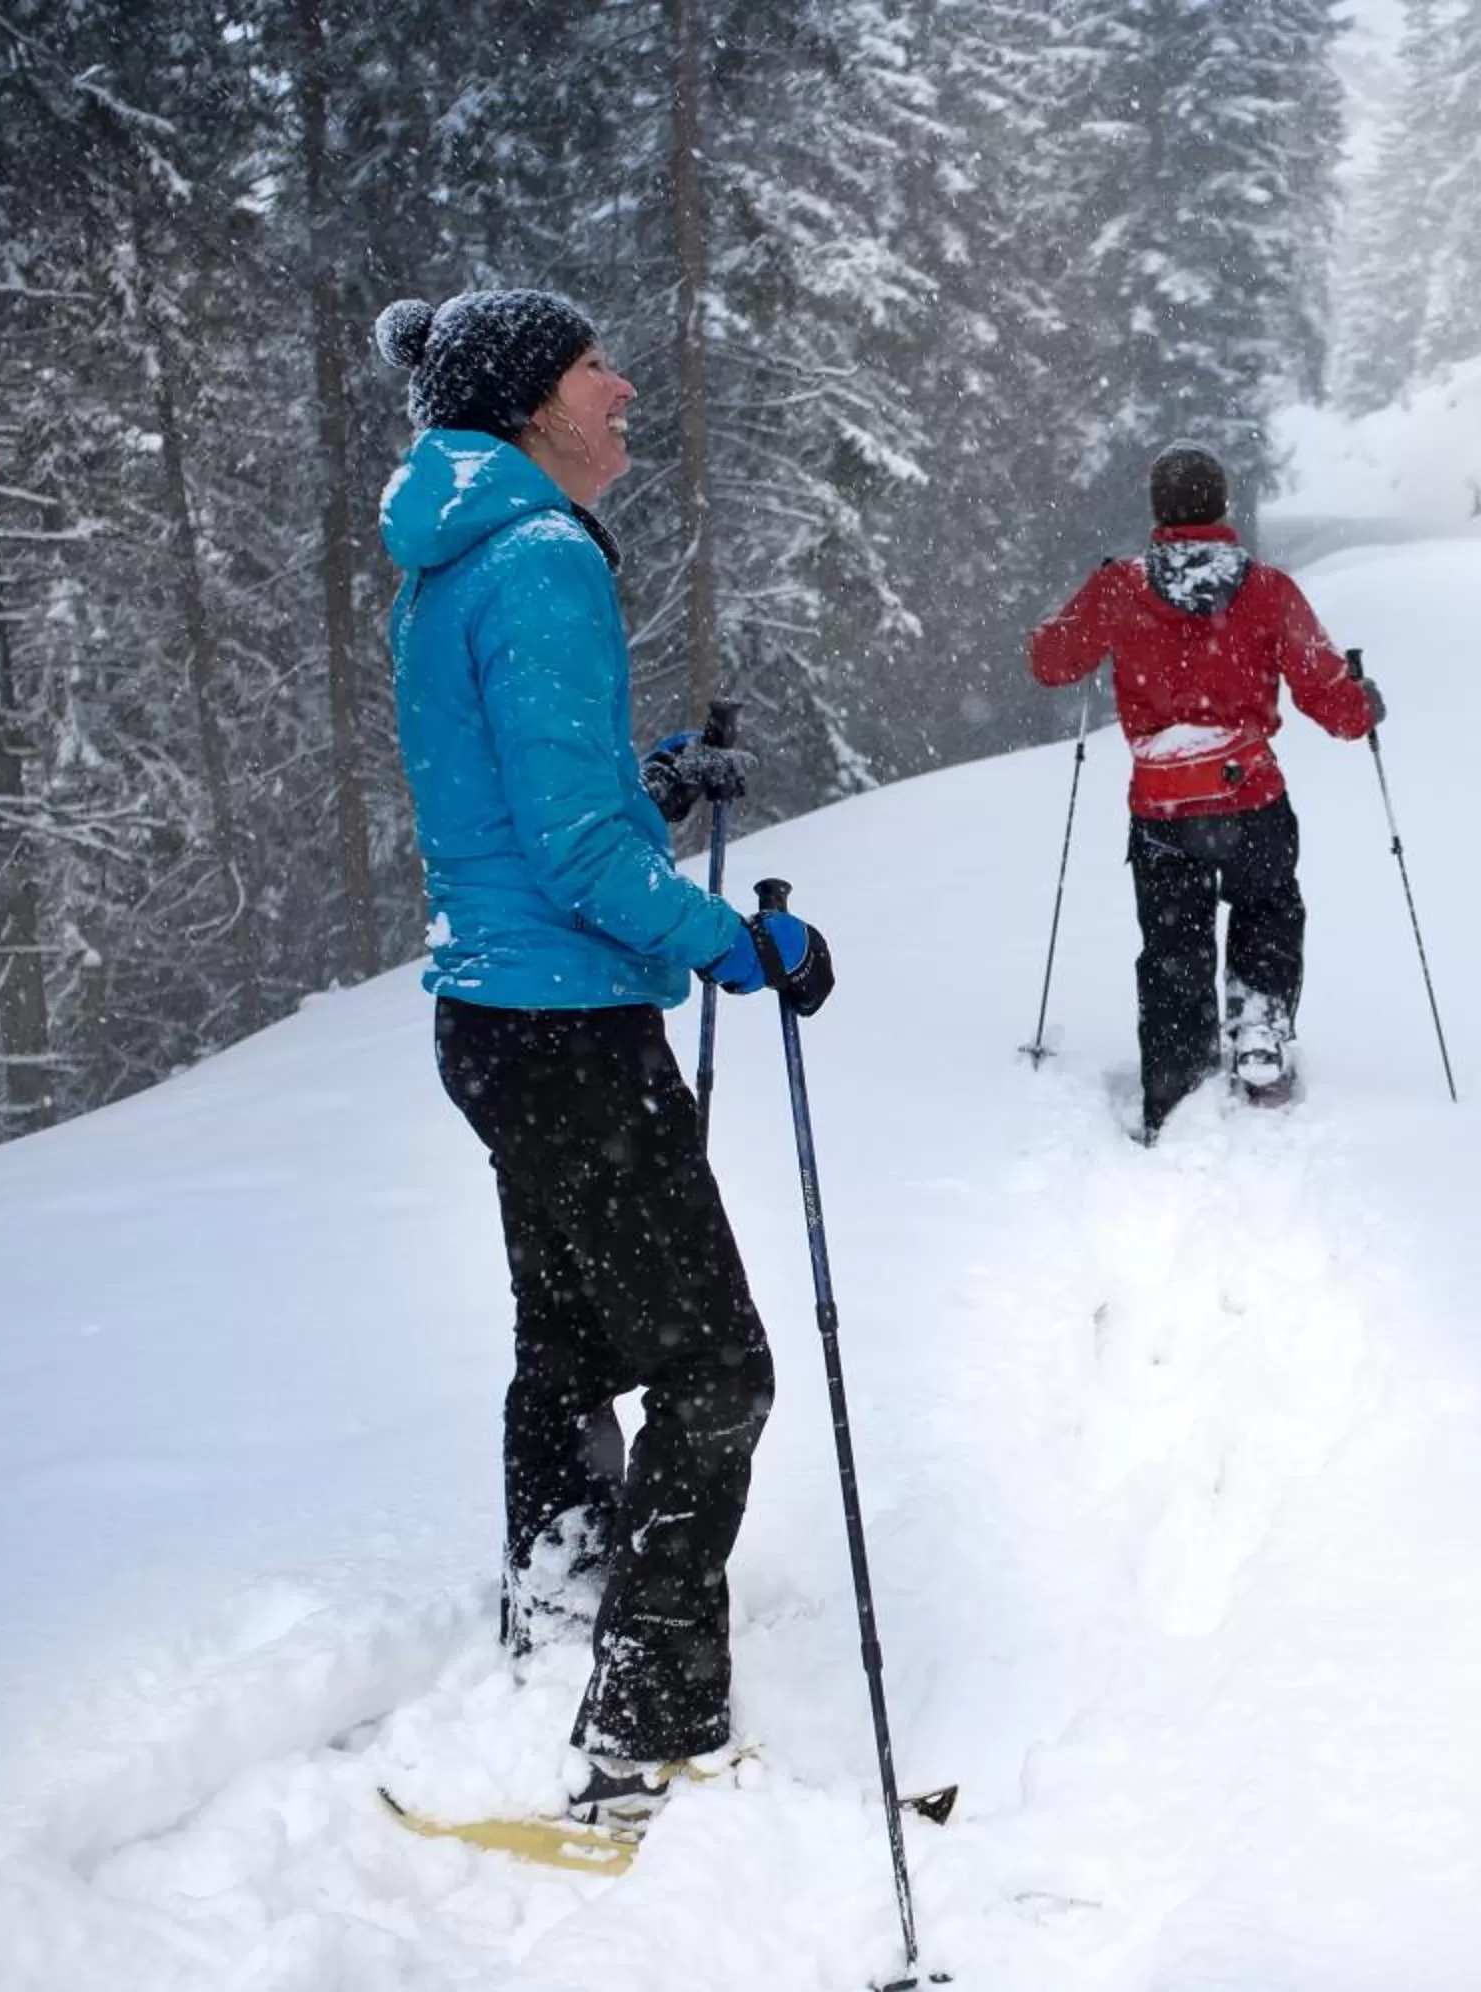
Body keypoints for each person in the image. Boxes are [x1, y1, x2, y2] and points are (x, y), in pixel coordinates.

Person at [372, 289, 830, 1838]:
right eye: (591, 367)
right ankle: (647, 1720)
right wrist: (746, 947)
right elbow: (570, 852)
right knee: (718, 1374)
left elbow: (525, 793)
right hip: (570, 1027)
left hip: (493, 1022)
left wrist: (650, 786)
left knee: (566, 1338)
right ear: (527, 400)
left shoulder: (454, 556)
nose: (621, 385)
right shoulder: (546, 559)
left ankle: (562, 1608)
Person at [1029, 443, 1384, 1137]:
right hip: (1251, 796)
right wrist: (1362, 704)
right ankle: (1257, 1026)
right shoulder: (1268, 590)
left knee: (1172, 948)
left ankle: (1174, 1078)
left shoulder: (1122, 587)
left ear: (1158, 511)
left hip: (1163, 808)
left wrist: (1090, 608)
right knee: (1268, 908)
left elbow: (1051, 662)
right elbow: (1328, 698)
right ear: (1221, 507)